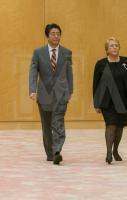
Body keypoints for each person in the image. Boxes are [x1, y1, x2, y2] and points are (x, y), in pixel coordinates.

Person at [93, 37, 127, 164]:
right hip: (107, 102)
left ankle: (115, 149)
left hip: (124, 101)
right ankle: (109, 152)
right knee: (111, 125)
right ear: (107, 49)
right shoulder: (101, 64)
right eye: (111, 46)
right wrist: (96, 103)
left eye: (116, 45)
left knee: (120, 127)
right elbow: (96, 85)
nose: (114, 47)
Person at [29, 23, 73, 165]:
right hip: (44, 94)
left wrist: (70, 90)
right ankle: (50, 153)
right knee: (47, 125)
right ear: (47, 36)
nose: (56, 36)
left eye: (58, 33)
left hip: (61, 94)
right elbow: (33, 71)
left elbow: (69, 73)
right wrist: (32, 90)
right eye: (53, 33)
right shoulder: (38, 52)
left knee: (58, 122)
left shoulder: (67, 52)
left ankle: (57, 151)